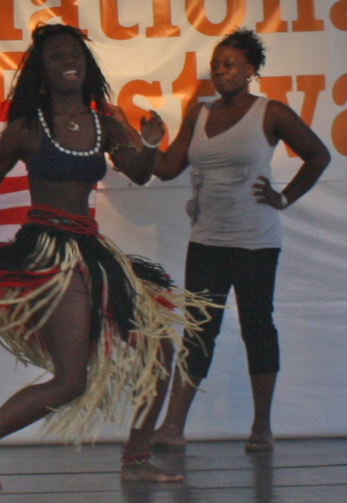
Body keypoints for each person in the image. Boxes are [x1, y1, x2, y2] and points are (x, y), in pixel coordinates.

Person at [0, 23, 214, 488]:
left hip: (92, 250)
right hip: (48, 252)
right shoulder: (26, 129)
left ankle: (136, 459)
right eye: (57, 56)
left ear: (86, 67)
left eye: (76, 55)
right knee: (71, 381)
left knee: (161, 352)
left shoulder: (106, 123)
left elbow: (142, 173)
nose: (70, 61)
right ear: (42, 73)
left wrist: (148, 143)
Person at [150, 28, 330, 451]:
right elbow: (166, 168)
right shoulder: (199, 113)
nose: (220, 71)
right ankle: (174, 427)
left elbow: (318, 155)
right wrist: (148, 142)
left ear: (251, 70)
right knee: (199, 330)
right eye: (216, 64)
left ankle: (261, 426)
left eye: (229, 64)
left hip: (255, 240)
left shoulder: (271, 113)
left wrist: (283, 198)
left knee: (257, 327)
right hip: (207, 238)